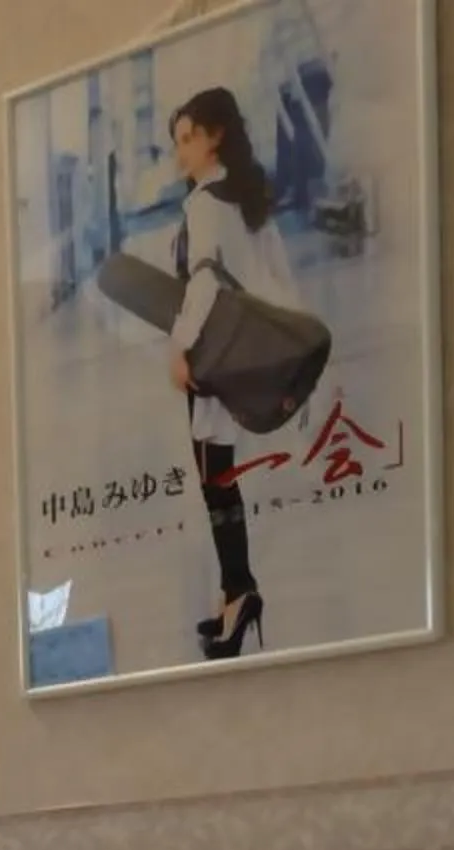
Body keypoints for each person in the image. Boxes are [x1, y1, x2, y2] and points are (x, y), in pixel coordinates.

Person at [165, 86, 302, 660]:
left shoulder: (203, 203)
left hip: (213, 357)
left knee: (215, 479)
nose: (182, 153)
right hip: (251, 347)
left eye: (188, 138)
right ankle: (232, 593)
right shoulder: (248, 197)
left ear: (216, 135)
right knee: (223, 476)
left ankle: (239, 595)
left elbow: (203, 281)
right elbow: (280, 276)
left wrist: (180, 349)